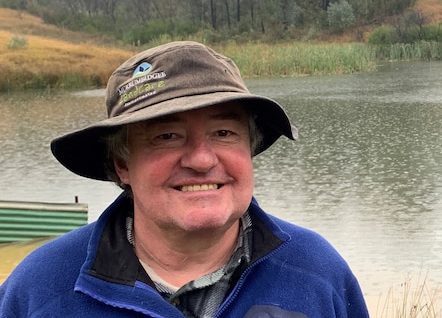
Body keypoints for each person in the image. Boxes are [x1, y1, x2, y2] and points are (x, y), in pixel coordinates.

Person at [0, 41, 369, 318]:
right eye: (166, 136)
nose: (201, 159)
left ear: (250, 149)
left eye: (224, 132)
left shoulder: (317, 273)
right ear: (122, 165)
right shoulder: (40, 289)